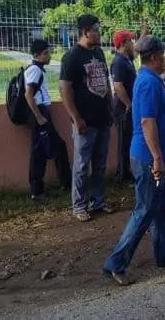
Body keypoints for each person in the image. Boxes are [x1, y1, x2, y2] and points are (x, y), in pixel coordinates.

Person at [103, 35, 165, 286]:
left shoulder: (151, 79)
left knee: (160, 208)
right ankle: (116, 263)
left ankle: (163, 254)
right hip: (148, 158)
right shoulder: (148, 82)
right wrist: (158, 158)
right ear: (155, 57)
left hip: (153, 156)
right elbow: (147, 122)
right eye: (164, 55)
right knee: (145, 210)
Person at [59, 14, 114, 222]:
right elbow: (64, 88)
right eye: (96, 30)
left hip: (102, 118)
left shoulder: (98, 52)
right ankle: (79, 205)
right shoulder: (72, 56)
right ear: (85, 32)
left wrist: (109, 107)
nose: (99, 33)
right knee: (82, 165)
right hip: (84, 121)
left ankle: (98, 200)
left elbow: (105, 81)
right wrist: (76, 117)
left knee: (99, 164)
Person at [24, 39, 72, 201]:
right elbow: (28, 94)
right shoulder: (34, 70)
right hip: (39, 113)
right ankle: (37, 190)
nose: (49, 55)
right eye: (46, 53)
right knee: (39, 151)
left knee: (55, 147)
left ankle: (65, 182)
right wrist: (39, 116)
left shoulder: (38, 70)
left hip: (42, 113)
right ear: (37, 55)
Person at [111, 30, 136, 184]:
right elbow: (118, 86)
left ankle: (127, 172)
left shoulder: (127, 59)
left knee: (129, 140)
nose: (132, 43)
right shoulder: (119, 62)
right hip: (122, 109)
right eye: (130, 41)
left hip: (127, 107)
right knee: (124, 142)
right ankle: (122, 175)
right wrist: (128, 104)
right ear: (123, 44)